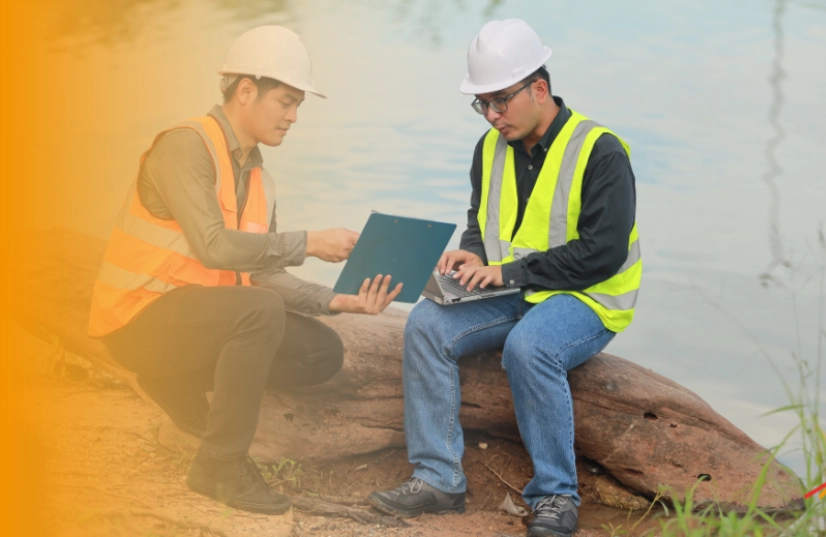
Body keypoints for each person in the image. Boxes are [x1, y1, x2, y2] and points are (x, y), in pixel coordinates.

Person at [88, 25, 402, 515]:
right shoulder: (185, 146)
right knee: (258, 312)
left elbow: (263, 275)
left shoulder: (259, 177)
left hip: (195, 325)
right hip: (136, 320)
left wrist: (338, 302)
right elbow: (214, 249)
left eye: (299, 105)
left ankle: (174, 379)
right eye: (286, 101)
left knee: (320, 350)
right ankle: (219, 466)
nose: (294, 116)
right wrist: (311, 243)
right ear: (246, 90)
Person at [368, 18, 641, 537]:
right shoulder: (490, 147)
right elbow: (481, 219)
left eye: (500, 101)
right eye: (483, 105)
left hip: (587, 297)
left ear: (539, 89)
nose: (492, 116)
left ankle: (556, 495)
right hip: (512, 285)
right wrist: (471, 257)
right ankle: (438, 478)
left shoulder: (602, 151)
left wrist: (506, 271)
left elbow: (602, 254)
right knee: (426, 324)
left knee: (529, 346)